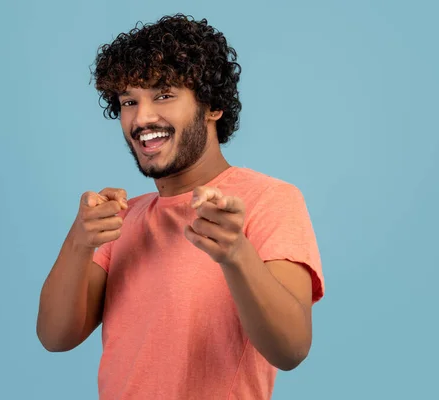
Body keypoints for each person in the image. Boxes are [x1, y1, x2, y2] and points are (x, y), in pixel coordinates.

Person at [37, 14, 325, 399]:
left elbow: (290, 349)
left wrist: (236, 254)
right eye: (128, 101)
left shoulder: (268, 200)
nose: (142, 118)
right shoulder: (120, 218)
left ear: (213, 106)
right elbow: (55, 337)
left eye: (164, 95)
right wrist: (79, 240)